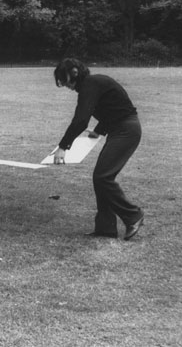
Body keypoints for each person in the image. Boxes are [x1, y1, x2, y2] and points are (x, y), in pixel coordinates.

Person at [52, 58, 144, 240]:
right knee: (101, 176)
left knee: (103, 177)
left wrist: (63, 146)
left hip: (126, 130)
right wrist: (98, 131)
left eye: (65, 79)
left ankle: (133, 215)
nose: (65, 84)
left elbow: (80, 120)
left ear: (74, 73)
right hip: (119, 129)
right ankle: (105, 227)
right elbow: (112, 107)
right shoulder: (93, 84)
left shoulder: (90, 85)